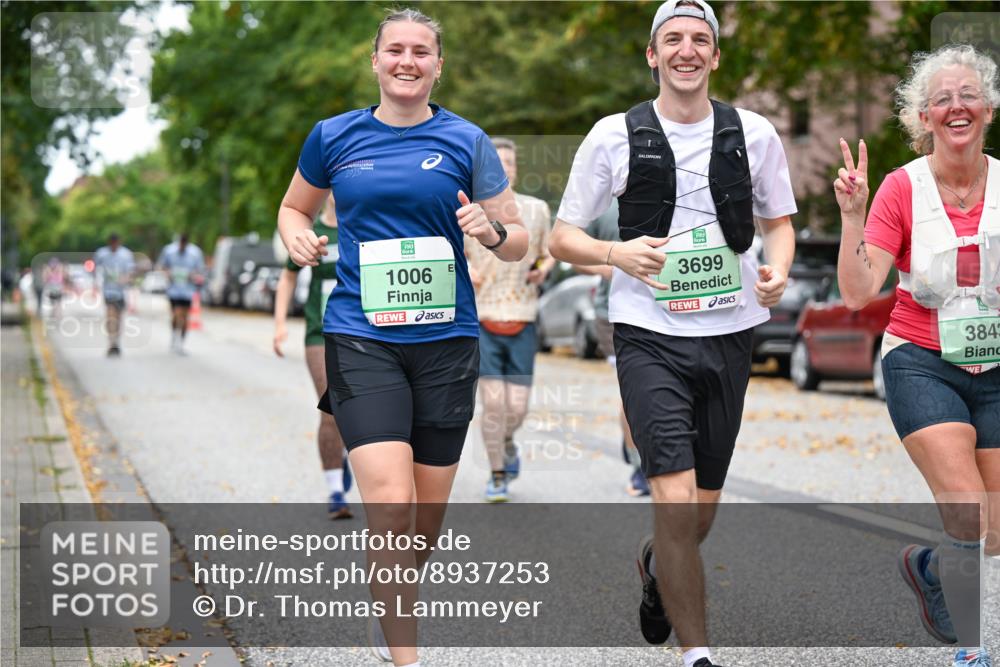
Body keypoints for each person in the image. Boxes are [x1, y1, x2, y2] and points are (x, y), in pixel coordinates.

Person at [548, 1, 796, 665]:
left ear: (715, 56)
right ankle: (698, 655)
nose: (686, 50)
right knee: (676, 499)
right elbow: (561, 235)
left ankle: (658, 567)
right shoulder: (612, 135)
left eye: (699, 39)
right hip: (647, 333)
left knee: (697, 516)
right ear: (653, 55)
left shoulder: (757, 133)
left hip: (731, 334)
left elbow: (779, 221)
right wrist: (616, 255)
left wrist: (779, 270)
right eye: (672, 40)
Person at [276, 9, 526, 666]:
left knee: (422, 524)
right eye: (396, 50)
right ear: (376, 61)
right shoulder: (334, 136)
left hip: (446, 343)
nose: (407, 61)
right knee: (390, 502)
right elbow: (294, 205)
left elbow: (518, 238)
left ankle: (391, 604)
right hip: (362, 336)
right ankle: (405, 656)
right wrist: (295, 234)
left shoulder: (466, 140)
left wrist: (489, 229)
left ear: (437, 65)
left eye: (421, 51)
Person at [834, 44, 999, 667]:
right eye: (941, 100)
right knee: (964, 506)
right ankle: (973, 648)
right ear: (924, 118)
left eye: (968, 96)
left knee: (991, 532)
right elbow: (856, 293)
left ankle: (929, 567)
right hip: (921, 360)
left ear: (987, 107)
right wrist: (853, 214)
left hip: (997, 367)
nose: (957, 107)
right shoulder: (902, 189)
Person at [465, 136, 555, 503]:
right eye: (497, 164)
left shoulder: (536, 210)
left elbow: (550, 252)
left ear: (516, 170)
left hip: (523, 316)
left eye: (510, 164)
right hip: (482, 317)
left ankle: (505, 441)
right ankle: (497, 473)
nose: (505, 170)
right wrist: (466, 269)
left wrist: (543, 270)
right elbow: (451, 252)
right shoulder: (470, 210)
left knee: (516, 408)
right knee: (493, 403)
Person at [273, 195, 353, 519]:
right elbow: (289, 275)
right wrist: (279, 323)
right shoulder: (310, 231)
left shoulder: (358, 229)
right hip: (319, 333)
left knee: (358, 411)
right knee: (330, 408)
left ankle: (345, 452)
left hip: (360, 334)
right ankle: (335, 490)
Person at [572, 199, 650, 497]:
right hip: (614, 313)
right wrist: (606, 264)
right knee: (635, 391)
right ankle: (639, 463)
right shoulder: (603, 207)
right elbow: (571, 249)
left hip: (667, 310)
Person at [157, 233, 205, 355]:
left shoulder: (195, 253)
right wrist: (168, 273)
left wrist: (194, 276)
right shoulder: (169, 251)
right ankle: (174, 336)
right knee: (176, 315)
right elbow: (161, 266)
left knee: (184, 317)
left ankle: (181, 342)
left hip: (188, 291)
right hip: (173, 290)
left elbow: (201, 271)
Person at [93, 234, 135, 356]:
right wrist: (96, 282)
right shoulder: (102, 254)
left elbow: (131, 272)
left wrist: (125, 279)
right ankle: (111, 342)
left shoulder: (126, 255)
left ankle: (116, 341)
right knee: (110, 316)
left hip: (121, 292)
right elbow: (95, 269)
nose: (114, 246)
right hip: (108, 291)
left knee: (118, 318)